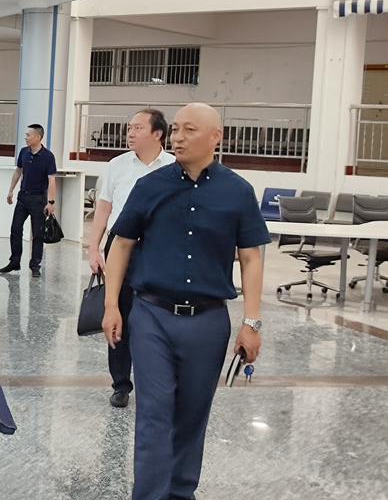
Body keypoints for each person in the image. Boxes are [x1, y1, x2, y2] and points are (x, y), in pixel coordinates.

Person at [102, 103, 269, 500]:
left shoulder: (237, 192)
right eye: (175, 129)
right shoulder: (150, 186)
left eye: (188, 130)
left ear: (216, 137)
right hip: (151, 314)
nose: (177, 137)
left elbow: (251, 258)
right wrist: (111, 305)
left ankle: (180, 492)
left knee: (193, 414)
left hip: (208, 321)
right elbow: (121, 244)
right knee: (154, 413)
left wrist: (252, 322)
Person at [87, 109, 175, 408]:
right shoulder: (117, 165)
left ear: (157, 134)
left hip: (160, 246)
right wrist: (94, 247)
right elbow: (103, 208)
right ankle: (121, 383)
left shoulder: (174, 166)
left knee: (157, 313)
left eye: (138, 128)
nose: (130, 133)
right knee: (117, 311)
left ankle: (157, 380)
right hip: (121, 244)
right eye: (129, 128)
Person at [0, 124, 56, 277]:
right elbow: (18, 171)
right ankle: (14, 261)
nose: (25, 138)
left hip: (39, 199)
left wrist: (50, 202)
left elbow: (51, 180)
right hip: (23, 196)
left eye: (28, 135)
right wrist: (11, 190)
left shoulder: (48, 156)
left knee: (37, 233)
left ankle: (35, 264)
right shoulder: (24, 152)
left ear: (38, 137)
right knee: (15, 229)